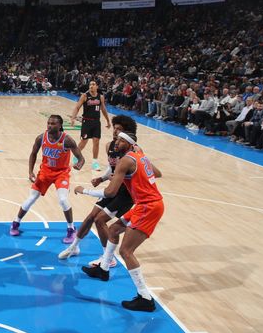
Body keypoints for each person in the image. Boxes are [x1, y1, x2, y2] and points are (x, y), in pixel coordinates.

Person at [74, 131, 164, 312]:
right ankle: (104, 269)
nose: (117, 142)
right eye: (116, 139)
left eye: (122, 140)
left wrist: (84, 190)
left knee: (126, 251)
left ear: (130, 144)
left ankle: (145, 297)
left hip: (149, 206)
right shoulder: (140, 156)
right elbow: (158, 173)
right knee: (114, 230)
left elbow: (109, 193)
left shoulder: (125, 161)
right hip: (143, 204)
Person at [59, 115, 138, 265]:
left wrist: (85, 190)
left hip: (126, 194)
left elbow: (141, 170)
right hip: (114, 188)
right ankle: (74, 247)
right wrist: (102, 178)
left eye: (119, 129)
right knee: (91, 217)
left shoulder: (134, 152)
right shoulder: (110, 145)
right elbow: (112, 166)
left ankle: (109, 258)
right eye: (114, 128)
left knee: (100, 220)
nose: (115, 131)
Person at [9, 115, 85, 244]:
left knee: (63, 199)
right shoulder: (41, 138)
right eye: (48, 123)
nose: (49, 125)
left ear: (60, 125)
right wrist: (30, 171)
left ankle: (71, 229)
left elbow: (81, 158)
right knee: (31, 198)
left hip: (61, 173)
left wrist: (79, 164)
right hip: (45, 172)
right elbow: (33, 154)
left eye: (53, 124)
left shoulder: (67, 140)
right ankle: (15, 223)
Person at [69, 80, 111, 171]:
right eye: (90, 84)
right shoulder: (84, 96)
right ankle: (76, 156)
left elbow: (103, 109)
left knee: (96, 141)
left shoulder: (101, 97)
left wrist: (108, 120)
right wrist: (73, 118)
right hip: (86, 122)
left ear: (97, 86)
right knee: (84, 141)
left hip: (96, 122)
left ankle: (95, 162)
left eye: (93, 84)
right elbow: (77, 107)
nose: (91, 86)